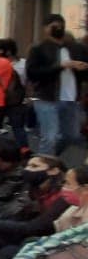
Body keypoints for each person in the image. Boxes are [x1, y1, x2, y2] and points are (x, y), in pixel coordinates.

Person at [0, 157, 76, 259]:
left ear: (54, 171)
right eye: (27, 166)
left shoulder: (63, 197)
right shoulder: (32, 188)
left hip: (38, 241)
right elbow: (7, 210)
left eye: (34, 166)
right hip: (21, 232)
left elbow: (34, 227)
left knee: (3, 252)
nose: (27, 170)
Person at [27, 14, 88, 156]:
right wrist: (60, 66)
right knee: (50, 137)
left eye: (61, 25)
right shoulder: (39, 49)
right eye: (54, 26)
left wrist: (83, 67)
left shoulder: (77, 48)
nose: (58, 28)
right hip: (47, 98)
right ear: (45, 29)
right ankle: (43, 168)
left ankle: (51, 158)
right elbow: (33, 73)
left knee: (72, 135)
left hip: (72, 98)